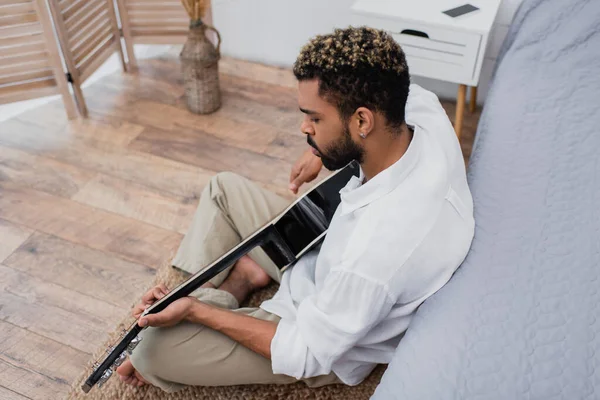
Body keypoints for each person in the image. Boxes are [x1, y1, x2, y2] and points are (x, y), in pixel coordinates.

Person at [116, 26, 475, 392]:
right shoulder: (420, 110)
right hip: (324, 246)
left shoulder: (377, 253)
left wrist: (198, 312)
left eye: (314, 119)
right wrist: (321, 149)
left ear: (362, 122)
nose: (304, 126)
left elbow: (307, 351)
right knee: (222, 189)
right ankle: (230, 285)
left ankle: (204, 301)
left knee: (152, 352)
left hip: (318, 333)